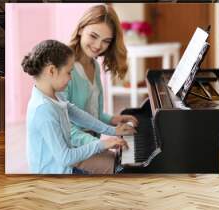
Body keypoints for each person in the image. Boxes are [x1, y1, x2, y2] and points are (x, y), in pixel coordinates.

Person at [23, 40, 134, 174]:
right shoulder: (43, 110)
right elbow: (66, 157)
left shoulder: (54, 95)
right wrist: (101, 144)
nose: (71, 78)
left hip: (65, 167)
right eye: (69, 72)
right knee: (118, 172)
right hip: (56, 175)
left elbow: (78, 114)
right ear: (52, 70)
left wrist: (112, 130)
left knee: (117, 166)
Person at [63, 5, 138, 174]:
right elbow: (63, 127)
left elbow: (91, 113)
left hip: (89, 144)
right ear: (81, 29)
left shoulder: (94, 65)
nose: (98, 46)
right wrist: (103, 144)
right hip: (70, 149)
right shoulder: (64, 68)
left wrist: (113, 119)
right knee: (123, 167)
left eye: (106, 41)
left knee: (127, 159)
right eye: (94, 36)